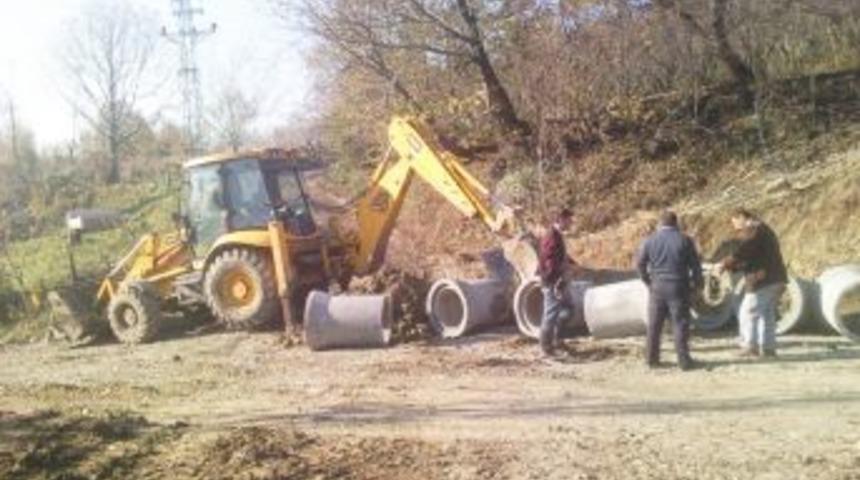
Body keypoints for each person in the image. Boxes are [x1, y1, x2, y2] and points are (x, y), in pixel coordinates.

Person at [636, 210, 703, 371]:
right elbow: (695, 266)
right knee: (679, 324)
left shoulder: (649, 241)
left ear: (660, 224)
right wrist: (697, 285)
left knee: (654, 324)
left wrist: (648, 281)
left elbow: (639, 264)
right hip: (679, 286)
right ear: (676, 223)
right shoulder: (685, 240)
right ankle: (684, 361)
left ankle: (652, 359)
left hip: (657, 287)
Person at [718, 208, 788, 357]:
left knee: (747, 312)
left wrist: (725, 264)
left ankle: (750, 346)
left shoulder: (754, 230)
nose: (735, 227)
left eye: (735, 222)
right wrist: (733, 266)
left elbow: (744, 251)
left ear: (742, 217)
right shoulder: (764, 229)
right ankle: (768, 348)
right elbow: (750, 257)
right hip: (776, 278)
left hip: (764, 280)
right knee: (766, 313)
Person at [537, 208, 574, 357]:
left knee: (569, 309)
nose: (571, 222)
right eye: (569, 220)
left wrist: (573, 263)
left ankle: (558, 340)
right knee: (550, 314)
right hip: (553, 281)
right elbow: (549, 260)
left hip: (559, 280)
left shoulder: (557, 235)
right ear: (560, 220)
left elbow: (560, 255)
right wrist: (556, 281)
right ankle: (547, 348)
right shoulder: (552, 236)